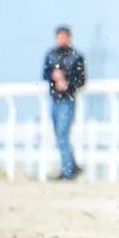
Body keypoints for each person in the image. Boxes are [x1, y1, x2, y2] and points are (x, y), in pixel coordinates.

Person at [42, 26, 86, 180]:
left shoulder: (76, 56)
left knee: (62, 135)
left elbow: (81, 80)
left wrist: (67, 82)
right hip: (54, 100)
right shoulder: (51, 55)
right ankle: (72, 167)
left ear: (69, 38)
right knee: (60, 135)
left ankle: (68, 172)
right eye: (58, 37)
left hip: (68, 100)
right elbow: (45, 74)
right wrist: (54, 77)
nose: (61, 40)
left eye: (64, 37)